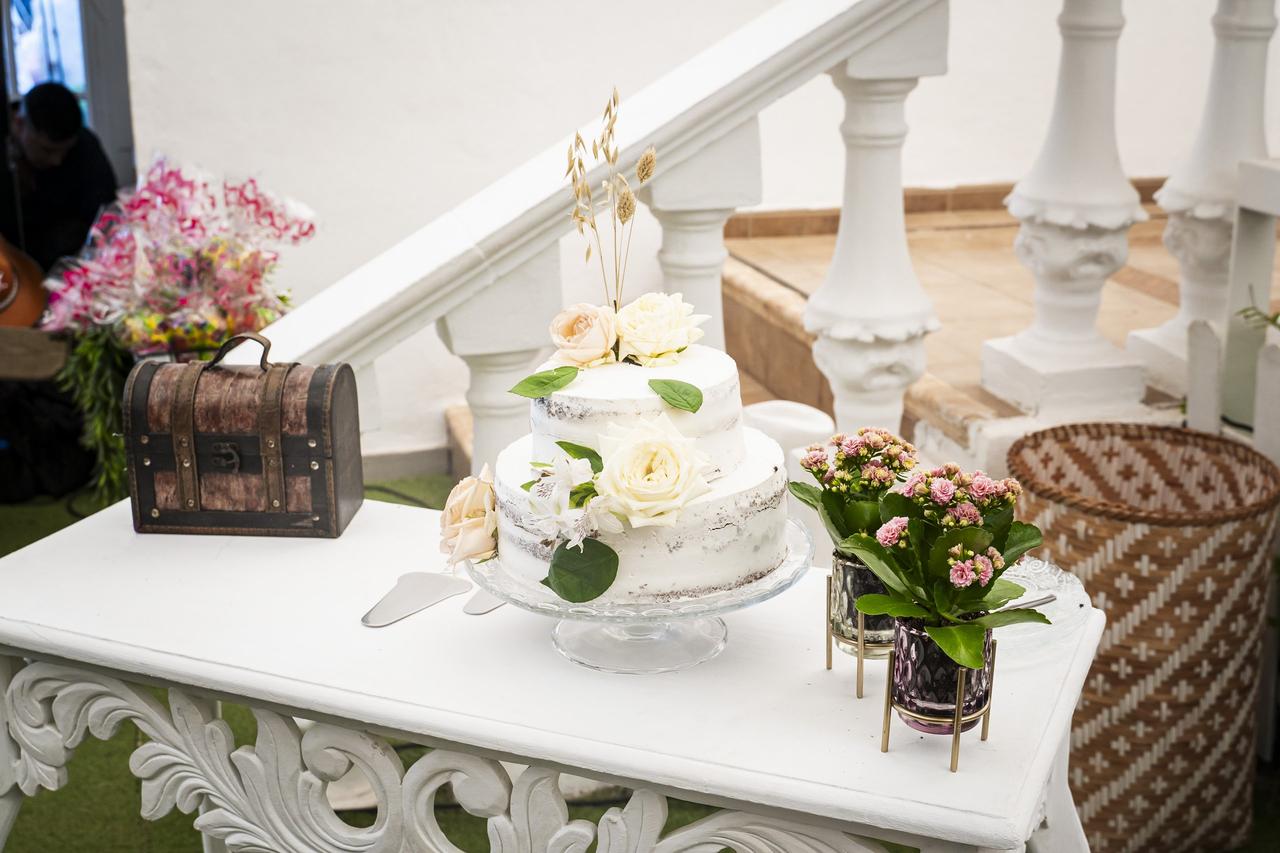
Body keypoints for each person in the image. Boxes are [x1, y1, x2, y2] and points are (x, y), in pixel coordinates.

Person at [6, 81, 117, 270]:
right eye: (47, 151)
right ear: (19, 124)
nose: (57, 160)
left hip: (71, 264)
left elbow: (105, 216)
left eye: (64, 152)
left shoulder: (84, 146)